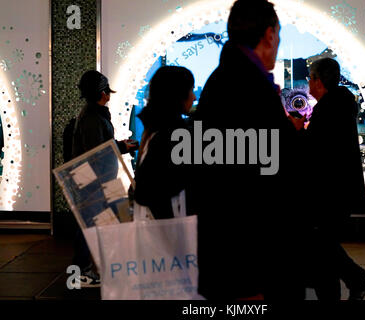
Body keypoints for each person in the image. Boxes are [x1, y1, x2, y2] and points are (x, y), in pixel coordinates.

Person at [192, 0, 304, 300]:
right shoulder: (248, 84)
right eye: (278, 35)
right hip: (247, 256)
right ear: (269, 35)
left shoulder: (225, 78)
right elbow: (254, 181)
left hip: (230, 249)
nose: (278, 43)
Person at [301, 58, 365, 300]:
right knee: (324, 245)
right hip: (339, 191)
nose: (308, 83)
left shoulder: (327, 110)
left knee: (321, 245)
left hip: (329, 192)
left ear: (319, 81)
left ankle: (356, 280)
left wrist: (299, 130)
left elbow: (315, 150)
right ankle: (357, 280)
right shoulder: (339, 105)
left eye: (310, 77)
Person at [71, 70, 138, 287]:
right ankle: (81, 273)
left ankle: (98, 269)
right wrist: (120, 146)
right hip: (94, 181)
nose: (109, 95)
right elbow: (95, 152)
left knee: (100, 224)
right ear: (102, 93)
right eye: (107, 91)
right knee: (89, 227)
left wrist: (120, 146)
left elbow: (99, 146)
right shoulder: (92, 117)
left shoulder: (95, 115)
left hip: (98, 179)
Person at [134, 66, 196, 219]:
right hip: (171, 232)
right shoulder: (171, 136)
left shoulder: (154, 129)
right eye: (190, 90)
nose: (194, 97)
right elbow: (147, 191)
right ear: (178, 94)